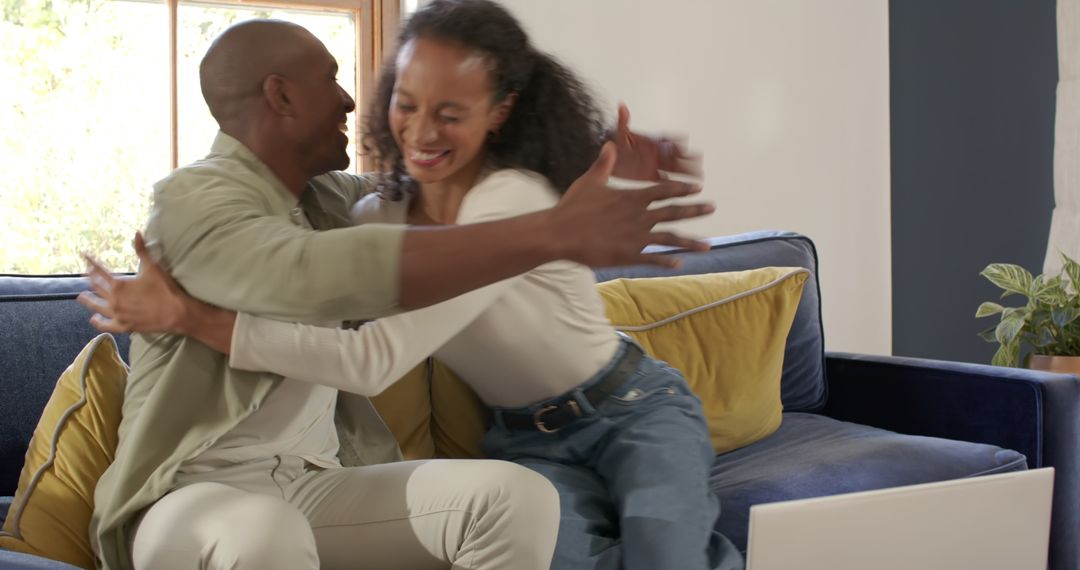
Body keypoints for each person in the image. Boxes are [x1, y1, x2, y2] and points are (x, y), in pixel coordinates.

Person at [81, 3, 741, 569]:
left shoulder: (360, 200)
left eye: (450, 111)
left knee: (567, 517)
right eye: (341, 82)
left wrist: (585, 158)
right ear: (280, 96)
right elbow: (310, 275)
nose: (350, 98)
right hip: (192, 491)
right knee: (268, 533)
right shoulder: (196, 202)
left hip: (619, 406)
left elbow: (454, 191)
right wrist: (558, 229)